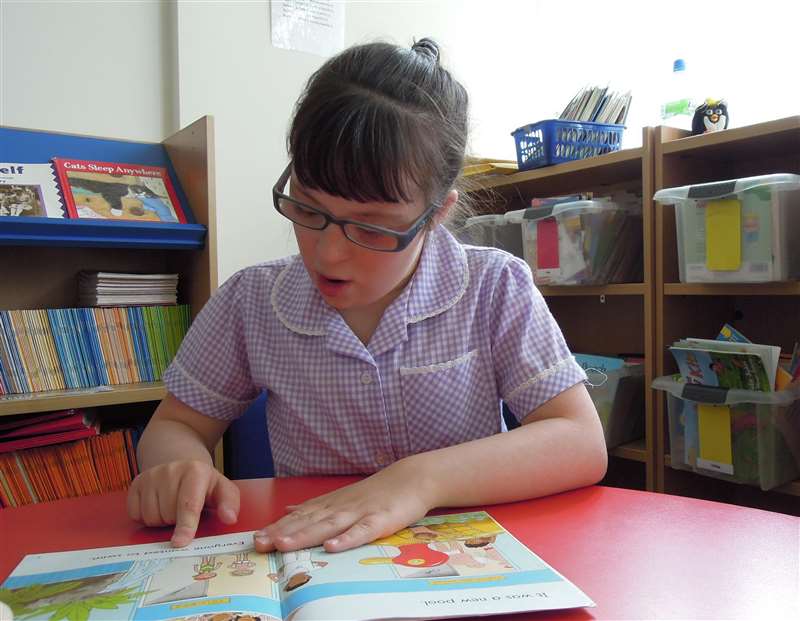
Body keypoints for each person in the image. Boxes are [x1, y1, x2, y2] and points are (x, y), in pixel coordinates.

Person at [127, 37, 607, 555]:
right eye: (309, 210)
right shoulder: (252, 301)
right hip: (315, 560)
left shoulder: (493, 287)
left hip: (465, 559)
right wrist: (179, 466)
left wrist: (419, 480)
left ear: (436, 214)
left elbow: (579, 441)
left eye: (373, 227)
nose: (329, 253)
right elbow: (175, 425)